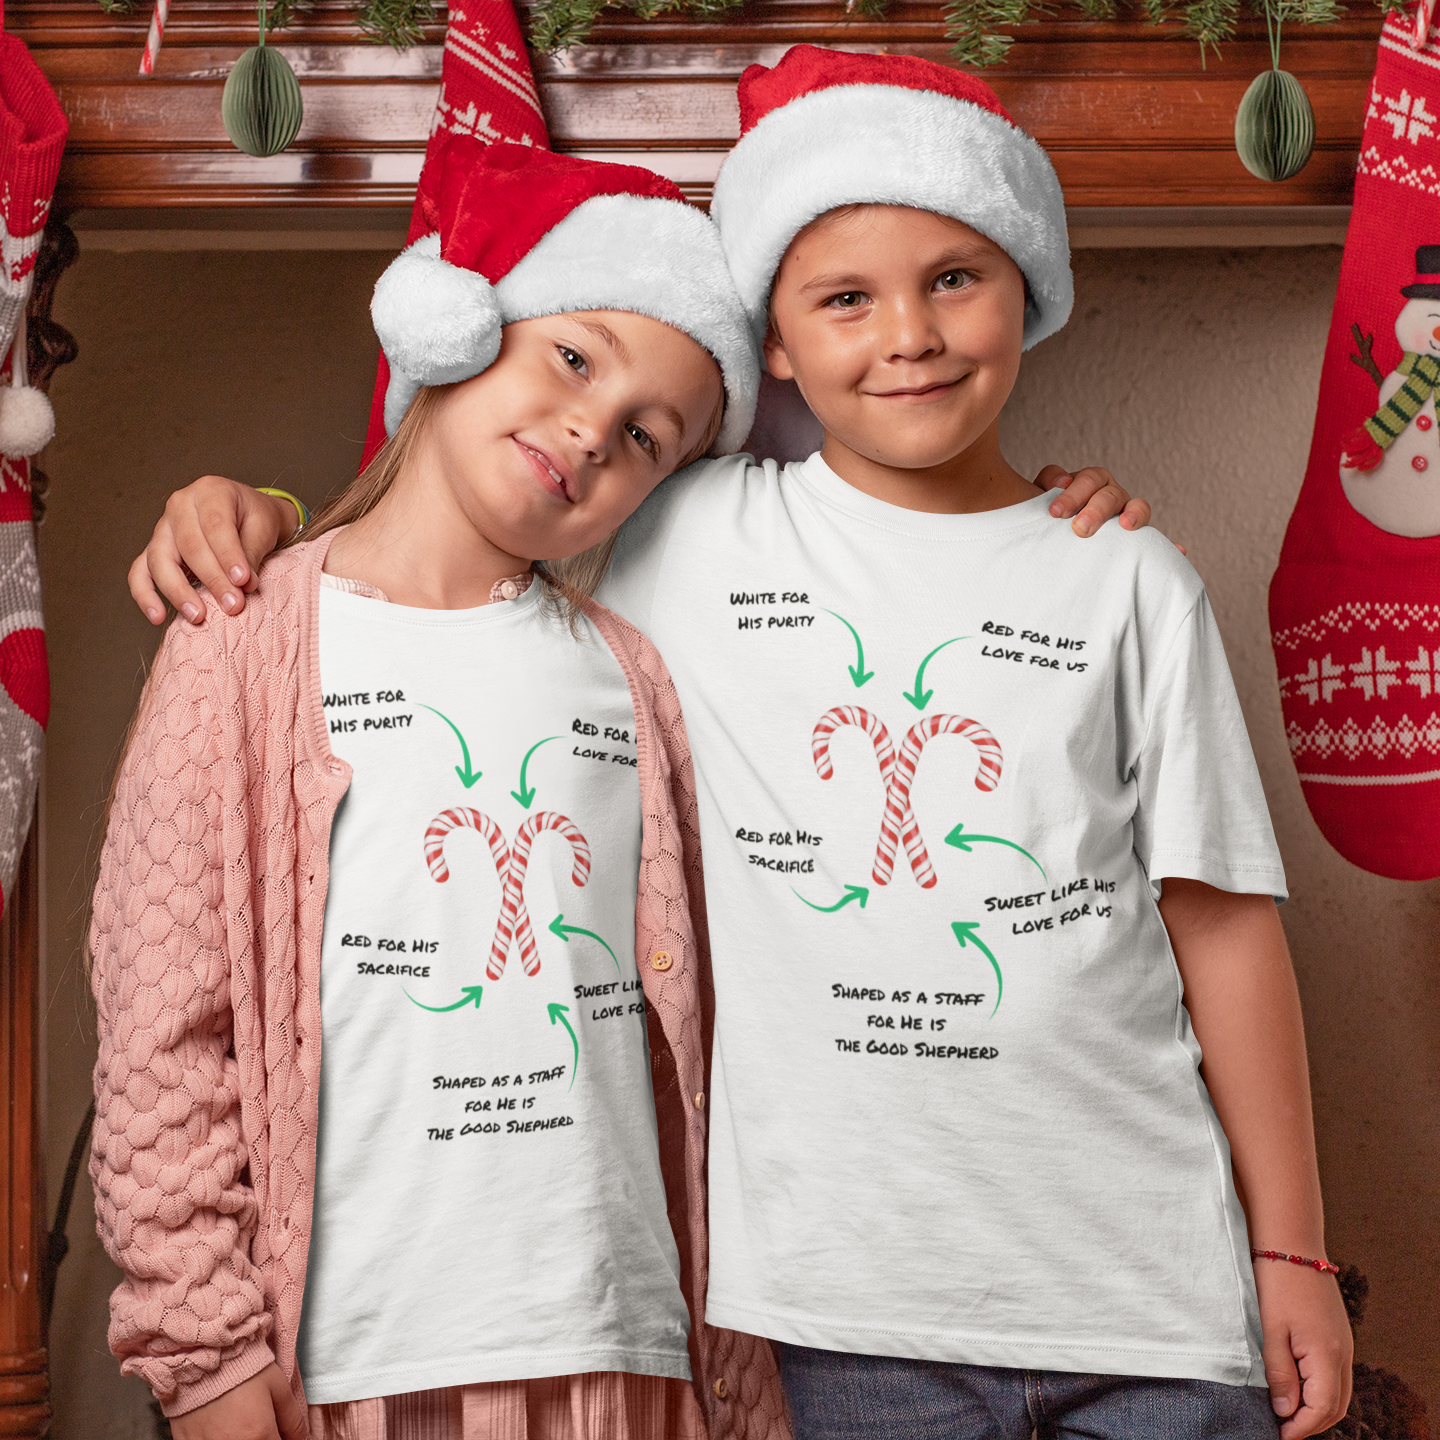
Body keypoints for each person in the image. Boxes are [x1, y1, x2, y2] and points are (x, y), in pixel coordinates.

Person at [122, 47, 1350, 1440]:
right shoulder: (686, 536)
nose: (909, 334)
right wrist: (249, 508)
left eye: (957, 276)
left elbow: (1221, 917)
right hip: (836, 1315)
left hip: (1146, 1288)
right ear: (778, 338)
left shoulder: (1119, 576)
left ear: (1032, 282)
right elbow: (453, 531)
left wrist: (1290, 1246)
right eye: (844, 298)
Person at [89, 140, 792, 1440]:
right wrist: (209, 1364)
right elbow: (160, 1035)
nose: (594, 427)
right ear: (457, 322)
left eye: (647, 435)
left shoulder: (636, 677)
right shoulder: (243, 640)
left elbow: (701, 1055)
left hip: (624, 1355)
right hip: (358, 1363)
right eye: (575, 357)